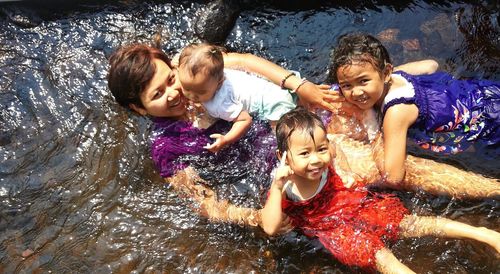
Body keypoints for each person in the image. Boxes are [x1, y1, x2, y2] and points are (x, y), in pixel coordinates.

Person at [261, 107, 500, 273]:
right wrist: (278, 185)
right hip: (334, 228)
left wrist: (345, 171)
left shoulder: (327, 154)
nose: (315, 160)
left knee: (412, 223)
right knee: (381, 256)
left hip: (356, 203)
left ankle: (484, 233)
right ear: (283, 157)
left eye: (320, 149)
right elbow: (270, 227)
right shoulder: (285, 184)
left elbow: (334, 150)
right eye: (304, 154)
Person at [328, 33, 500, 183]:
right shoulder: (397, 76)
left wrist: (372, 128)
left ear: (386, 72)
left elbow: (393, 176)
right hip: (484, 92)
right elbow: (431, 65)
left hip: (491, 124)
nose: (356, 92)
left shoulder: (396, 112)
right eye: (346, 86)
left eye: (363, 81)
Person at [177, 43, 300, 152]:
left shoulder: (220, 103)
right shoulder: (215, 72)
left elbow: (245, 120)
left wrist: (226, 139)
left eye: (200, 92)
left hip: (274, 104)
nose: (191, 95)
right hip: (274, 86)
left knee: (284, 142)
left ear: (219, 83)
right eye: (186, 88)